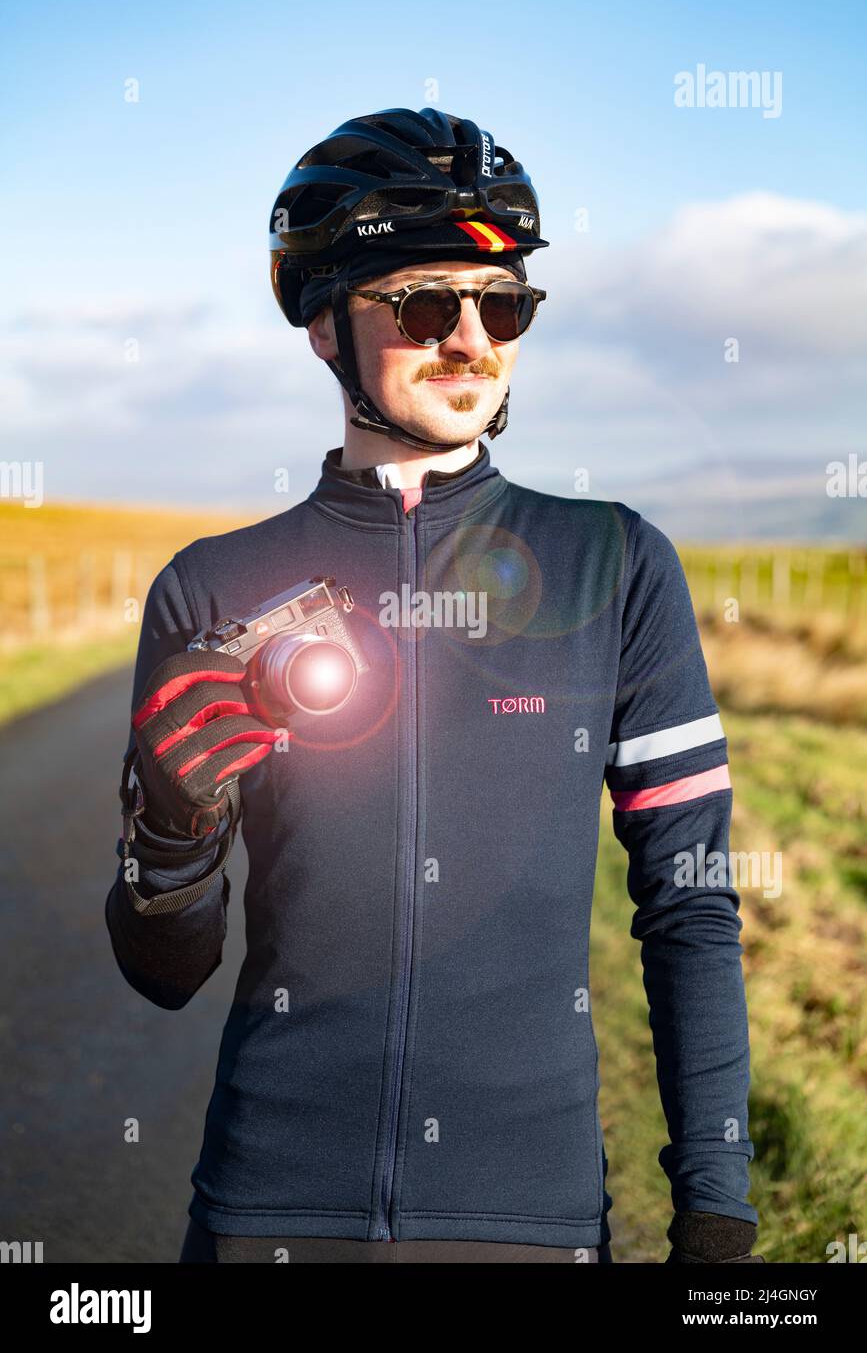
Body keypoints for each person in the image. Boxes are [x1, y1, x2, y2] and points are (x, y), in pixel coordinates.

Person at [105, 106, 764, 1265]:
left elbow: (691, 904)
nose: (472, 339)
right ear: (323, 325)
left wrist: (717, 1209)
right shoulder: (211, 587)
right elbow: (166, 978)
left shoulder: (614, 564)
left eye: (501, 304)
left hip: (532, 1220)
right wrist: (170, 838)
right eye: (423, 305)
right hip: (269, 1210)